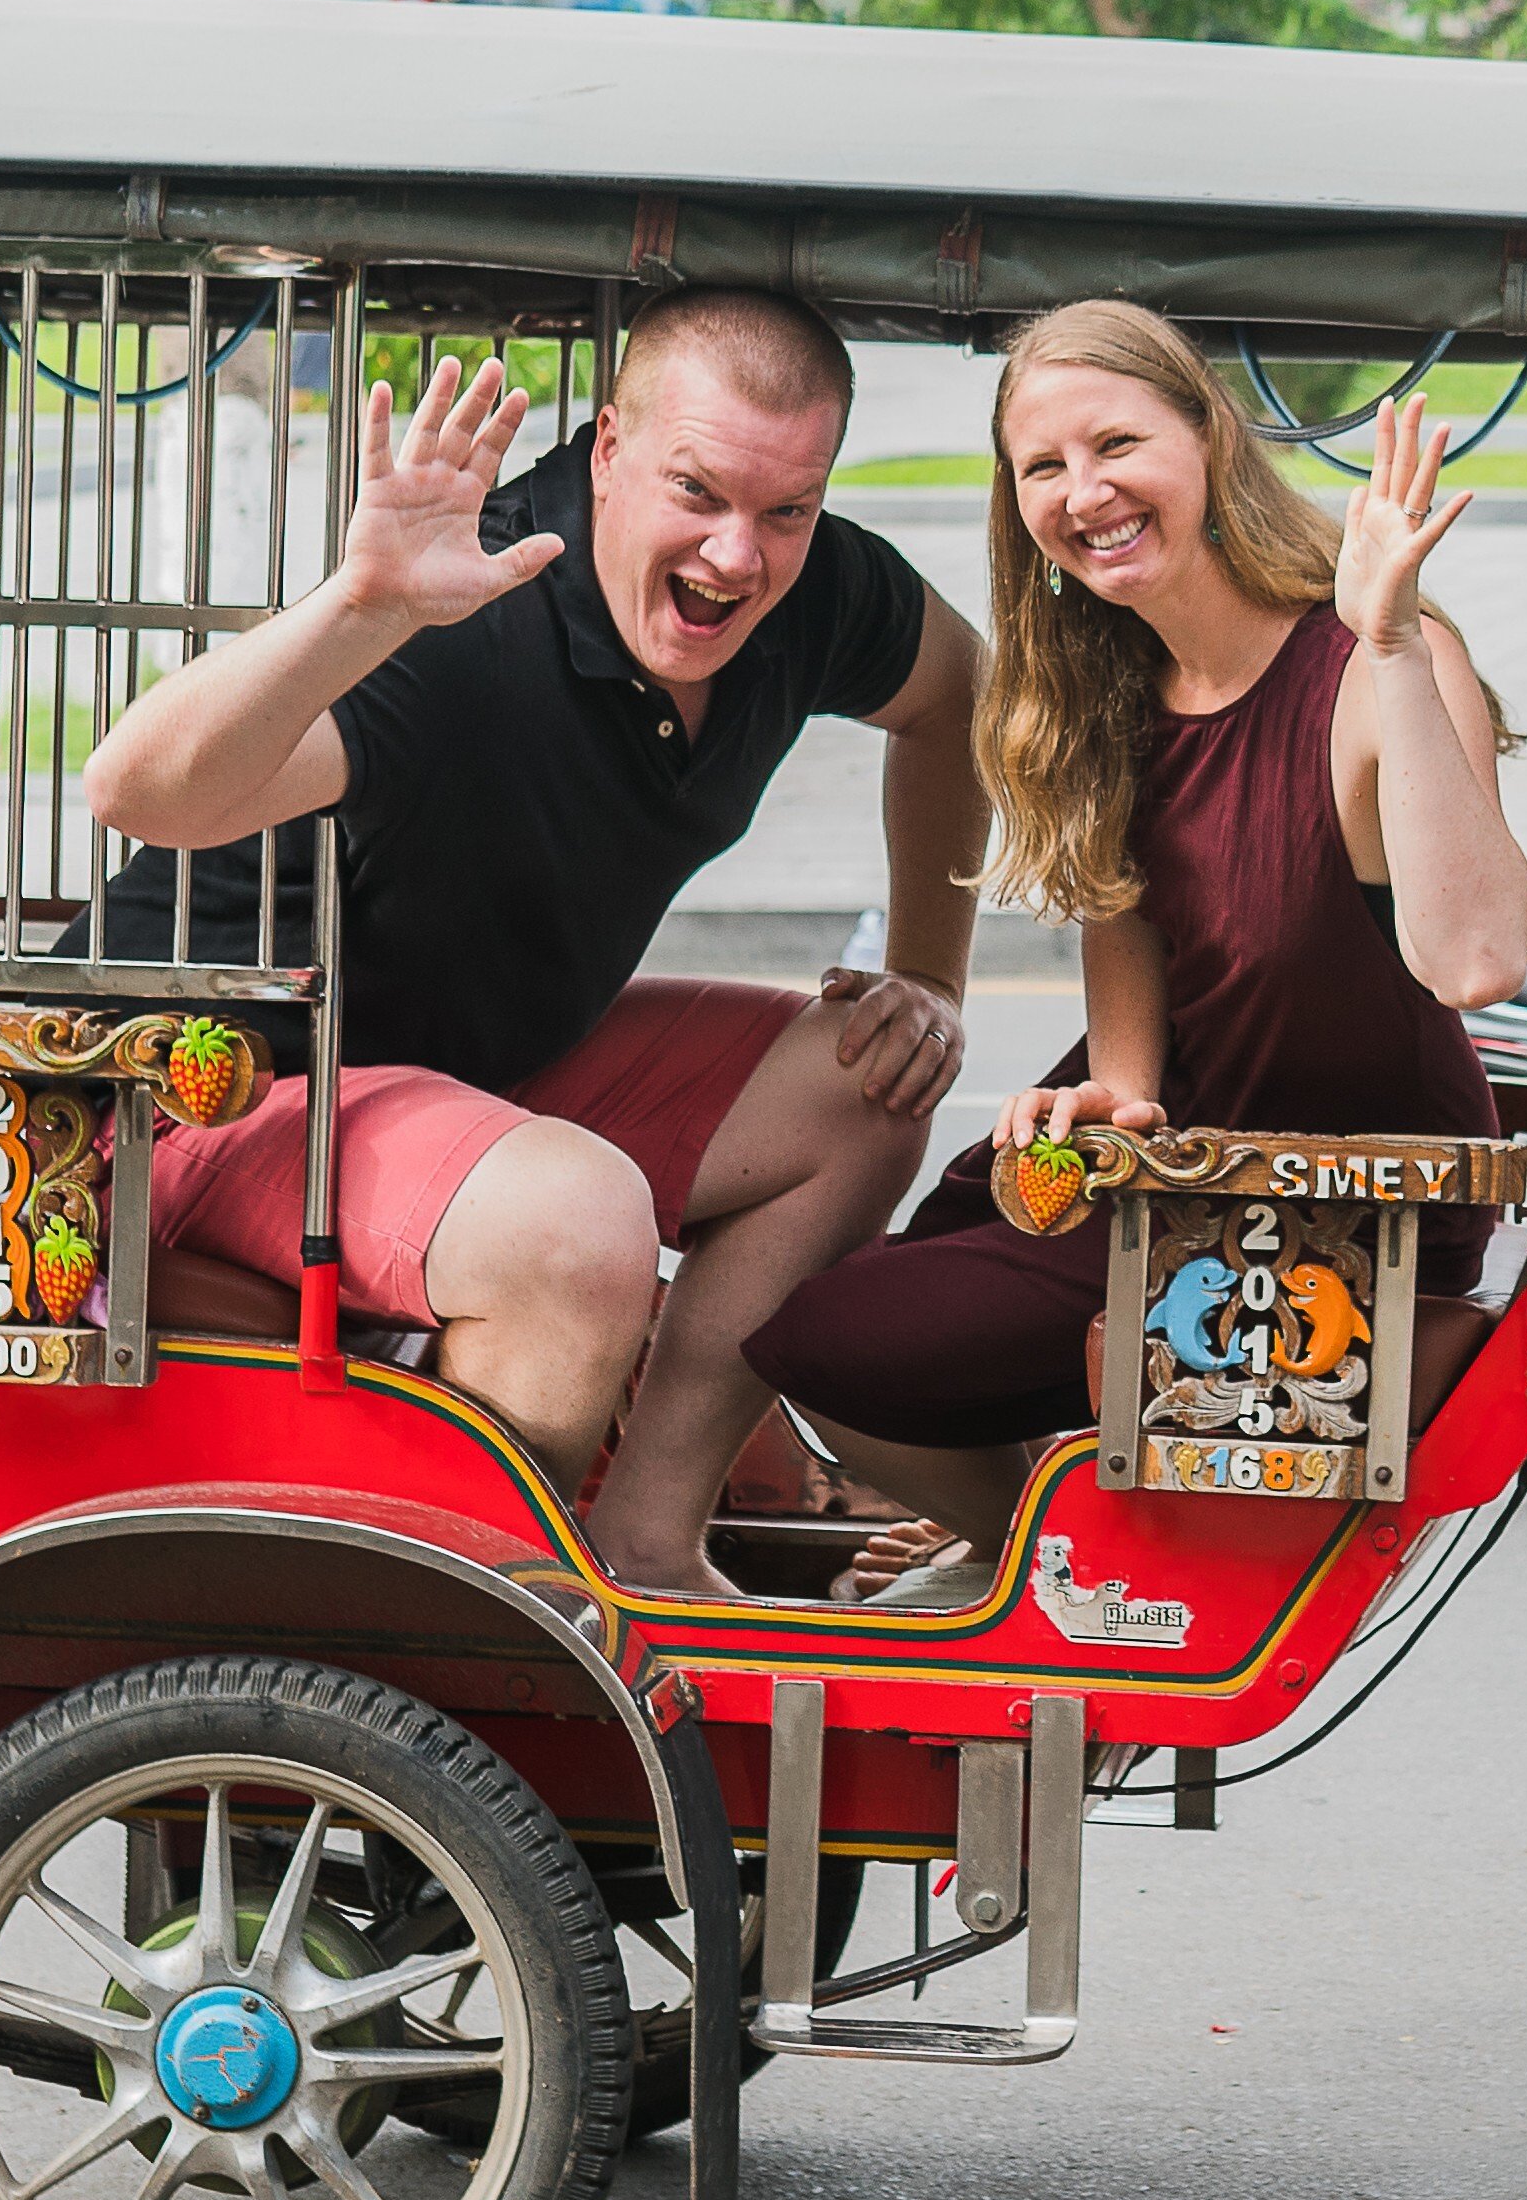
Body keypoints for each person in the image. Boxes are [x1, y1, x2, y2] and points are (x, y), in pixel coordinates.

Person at [75, 291, 991, 1599]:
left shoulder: (818, 589)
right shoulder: (471, 618)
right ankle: (454, 1632)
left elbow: (960, 697)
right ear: (608, 447)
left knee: (872, 1071)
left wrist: (932, 973)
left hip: (468, 1083)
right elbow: (136, 791)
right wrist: (363, 602)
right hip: (204, 1100)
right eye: (700, 492)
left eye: (786, 509)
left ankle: (649, 1545)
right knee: (573, 1225)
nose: (737, 555)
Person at [749, 299, 1527, 1602]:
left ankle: (1054, 1564)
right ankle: (1042, 1549)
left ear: (1209, 439)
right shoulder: (1101, 702)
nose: (1085, 491)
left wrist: (1394, 636)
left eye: (1117, 443)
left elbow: (1476, 961)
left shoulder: (1372, 662)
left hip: (1331, 1208)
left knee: (834, 1343)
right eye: (1043, 467)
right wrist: (1094, 1104)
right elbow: (1134, 1062)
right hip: (1183, 1163)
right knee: (824, 1332)